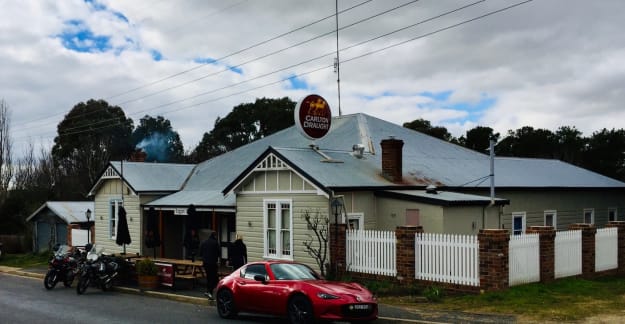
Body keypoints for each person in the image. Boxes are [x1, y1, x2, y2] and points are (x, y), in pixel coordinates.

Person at [199, 230, 220, 299]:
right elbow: (219, 253)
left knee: (208, 276)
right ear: (215, 236)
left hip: (206, 262)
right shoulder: (215, 243)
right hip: (213, 263)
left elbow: (200, 253)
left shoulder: (204, 242)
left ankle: (208, 290)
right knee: (213, 276)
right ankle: (211, 291)